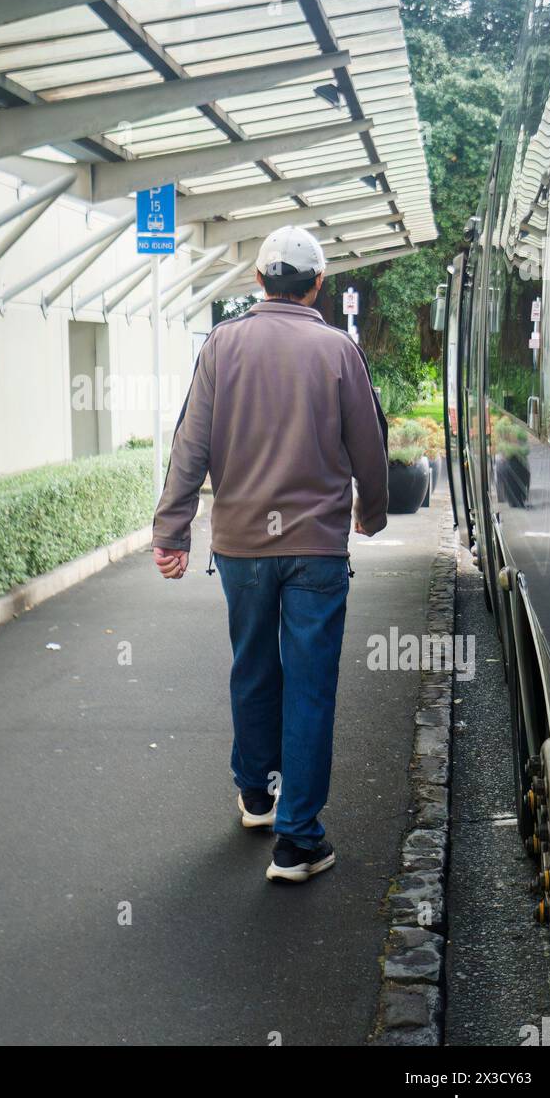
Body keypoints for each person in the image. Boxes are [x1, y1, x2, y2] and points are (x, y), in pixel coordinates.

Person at [151, 225, 389, 883]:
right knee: (309, 686)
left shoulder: (221, 345)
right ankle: (297, 842)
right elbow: (367, 443)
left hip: (240, 546)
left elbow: (189, 446)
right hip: (314, 547)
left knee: (253, 667)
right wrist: (371, 512)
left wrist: (171, 534)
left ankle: (256, 794)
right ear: (316, 285)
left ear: (258, 281)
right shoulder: (337, 350)